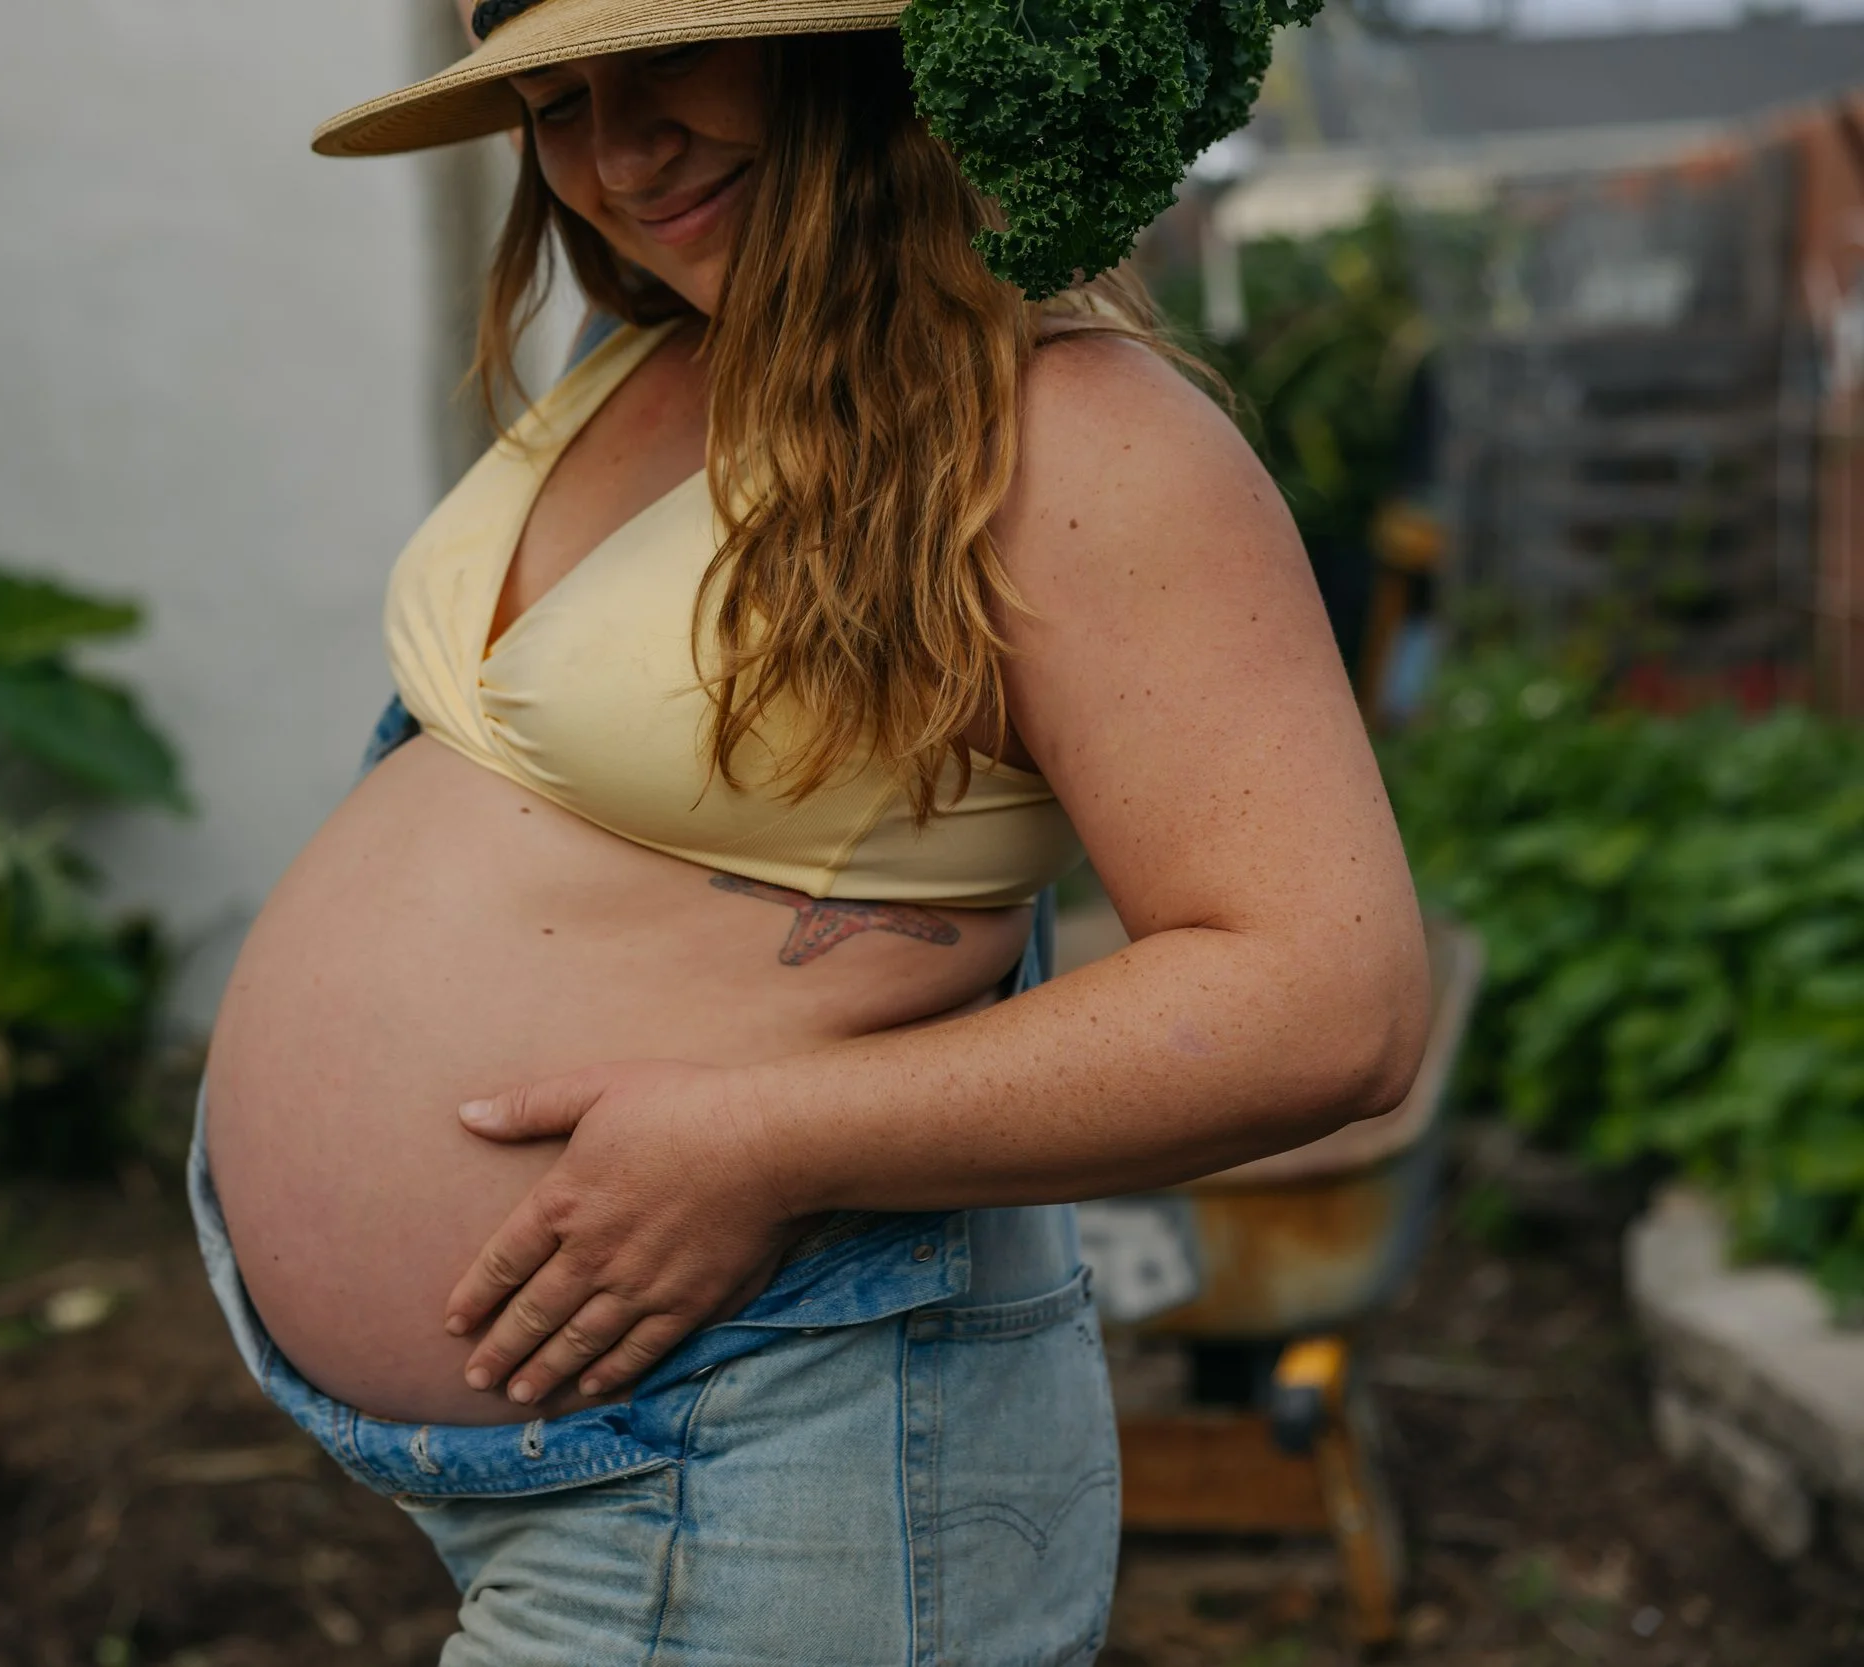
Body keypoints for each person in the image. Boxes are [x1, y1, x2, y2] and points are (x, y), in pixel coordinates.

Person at [192, 1, 1429, 1658]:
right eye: (558, 103)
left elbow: (1325, 1003)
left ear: (864, 43)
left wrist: (760, 1140)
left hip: (764, 1461)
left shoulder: (1084, 439)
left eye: (670, 59)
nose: (618, 152)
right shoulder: (651, 350)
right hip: (602, 1454)